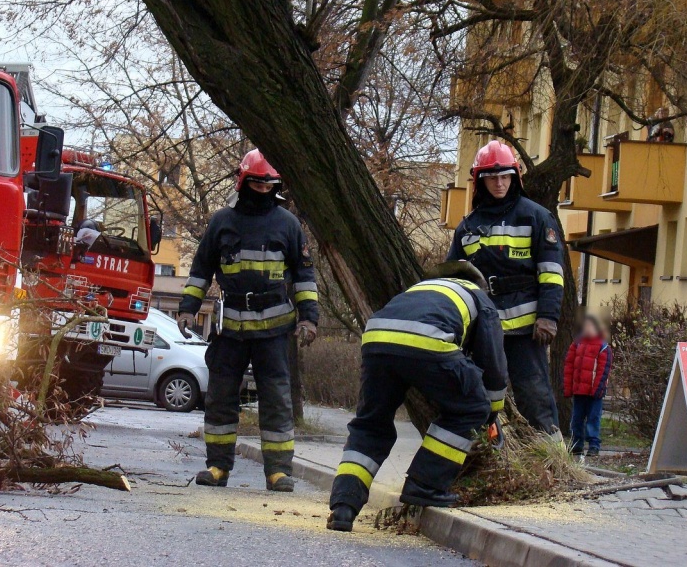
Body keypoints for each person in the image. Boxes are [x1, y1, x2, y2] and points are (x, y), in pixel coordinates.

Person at [327, 262, 508, 532]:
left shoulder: (419, 290)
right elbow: (493, 367)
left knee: (371, 424)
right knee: (471, 407)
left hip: (376, 339)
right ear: (479, 284)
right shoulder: (480, 298)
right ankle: (425, 485)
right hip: (429, 340)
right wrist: (491, 413)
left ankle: (344, 505)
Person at [177, 149, 319, 493]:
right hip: (231, 329)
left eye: (269, 184)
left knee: (277, 399)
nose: (263, 189)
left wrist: (309, 318)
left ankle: (278, 472)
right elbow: (200, 270)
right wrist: (187, 307)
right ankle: (217, 467)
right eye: (257, 183)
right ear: (244, 181)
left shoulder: (288, 225)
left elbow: (304, 275)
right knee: (221, 397)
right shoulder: (222, 222)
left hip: (274, 330)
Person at [447, 140, 564, 439]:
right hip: (485, 329)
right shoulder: (467, 227)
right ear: (480, 181)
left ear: (515, 176)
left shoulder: (537, 217)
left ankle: (553, 459)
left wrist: (548, 317)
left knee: (534, 395)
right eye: (491, 177)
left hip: (527, 330)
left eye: (504, 176)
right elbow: (453, 280)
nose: (499, 183)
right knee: (483, 398)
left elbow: (551, 273)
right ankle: (488, 458)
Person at [563, 315, 612, 457]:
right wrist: (568, 388)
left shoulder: (603, 347)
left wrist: (598, 389)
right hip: (579, 391)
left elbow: (604, 370)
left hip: (594, 391)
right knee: (577, 418)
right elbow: (569, 367)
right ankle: (577, 444)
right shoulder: (577, 344)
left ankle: (594, 445)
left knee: (593, 418)